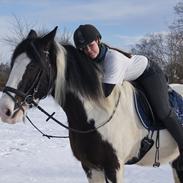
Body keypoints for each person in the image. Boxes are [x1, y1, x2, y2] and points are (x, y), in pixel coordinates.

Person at [73, 24, 183, 170]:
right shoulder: (90, 60)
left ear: (98, 40)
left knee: (163, 111)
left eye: (90, 45)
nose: (88, 50)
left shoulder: (113, 59)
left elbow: (104, 93)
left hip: (148, 73)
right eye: (84, 48)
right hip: (130, 76)